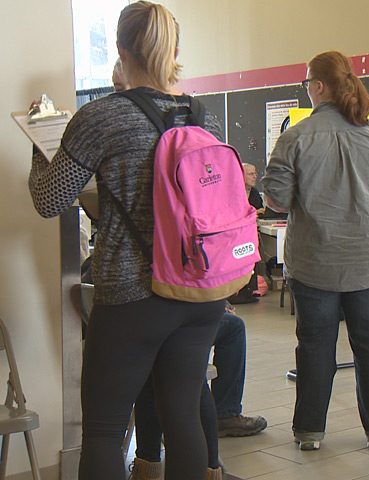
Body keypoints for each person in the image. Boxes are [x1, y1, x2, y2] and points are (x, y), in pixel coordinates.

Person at [28, 3, 226, 478]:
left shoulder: (101, 118)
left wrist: (38, 145)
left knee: (103, 428)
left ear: (119, 51)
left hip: (133, 295)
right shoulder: (204, 118)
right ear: (174, 51)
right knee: (183, 417)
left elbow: (50, 200)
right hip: (201, 293)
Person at [262, 50, 369, 451]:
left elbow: (276, 197)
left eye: (307, 83)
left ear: (319, 86)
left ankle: (309, 432)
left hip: (314, 264)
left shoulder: (296, 136)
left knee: (314, 345)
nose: (306, 89)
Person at [129, 303, 267, 480]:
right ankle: (213, 458)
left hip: (129, 325)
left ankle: (146, 467)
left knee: (153, 360)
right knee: (229, 330)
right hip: (175, 311)